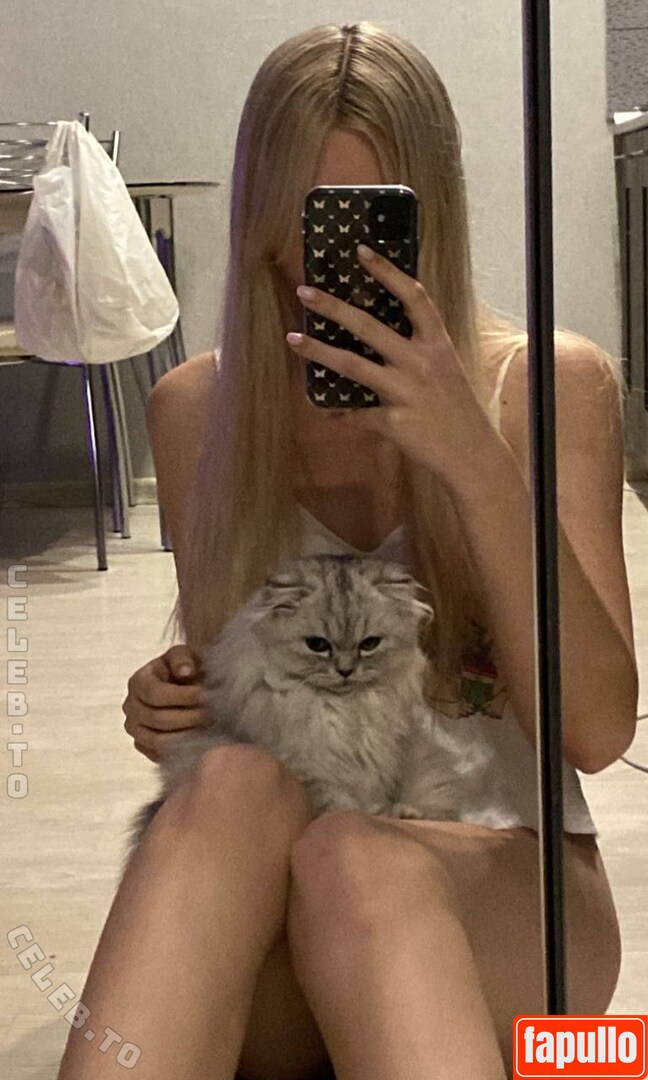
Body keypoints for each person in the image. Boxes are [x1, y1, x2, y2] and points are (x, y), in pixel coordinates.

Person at [57, 21, 638, 1080]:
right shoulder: (200, 414)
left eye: (369, 230)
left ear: (431, 220)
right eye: (303, 225)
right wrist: (179, 698)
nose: (326, 269)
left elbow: (597, 731)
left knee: (354, 861)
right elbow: (256, 721)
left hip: (507, 882)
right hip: (279, 876)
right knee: (228, 788)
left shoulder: (547, 387)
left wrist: (474, 457)